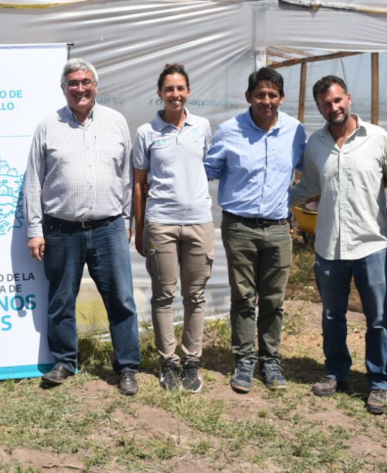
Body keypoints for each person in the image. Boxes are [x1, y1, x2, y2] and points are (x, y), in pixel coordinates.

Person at [24, 58, 141, 396]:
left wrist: (126, 222)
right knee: (61, 299)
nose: (80, 88)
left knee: (121, 299)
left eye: (86, 82)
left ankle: (127, 367)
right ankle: (64, 361)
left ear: (96, 86)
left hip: (109, 227)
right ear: (63, 89)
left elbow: (126, 177)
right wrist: (34, 230)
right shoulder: (48, 126)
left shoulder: (116, 122)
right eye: (73, 83)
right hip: (62, 230)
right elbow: (33, 180)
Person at [289, 76, 387, 414]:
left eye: (338, 100)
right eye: (326, 103)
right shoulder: (316, 144)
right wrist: (273, 204)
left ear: (349, 98)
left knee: (378, 317)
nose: (333, 107)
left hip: (372, 244)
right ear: (319, 107)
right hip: (330, 245)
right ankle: (336, 373)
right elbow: (309, 185)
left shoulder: (377, 138)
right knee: (332, 315)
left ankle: (379, 381)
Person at [204, 67, 306, 392]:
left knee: (274, 298)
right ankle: (245, 360)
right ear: (249, 96)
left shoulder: (295, 131)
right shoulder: (229, 130)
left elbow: (309, 169)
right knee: (244, 297)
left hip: (278, 228)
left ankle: (271, 360)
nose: (266, 101)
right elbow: (207, 169)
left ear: (282, 98)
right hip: (239, 228)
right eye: (260, 94)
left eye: (272, 95)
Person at [133, 64, 214, 393]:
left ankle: (192, 360)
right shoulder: (146, 132)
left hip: (199, 221)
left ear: (189, 92)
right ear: (160, 93)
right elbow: (139, 184)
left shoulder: (202, 127)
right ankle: (168, 361)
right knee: (163, 295)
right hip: (161, 222)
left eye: (180, 88)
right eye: (169, 89)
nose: (175, 94)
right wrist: (140, 228)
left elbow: (205, 166)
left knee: (195, 295)